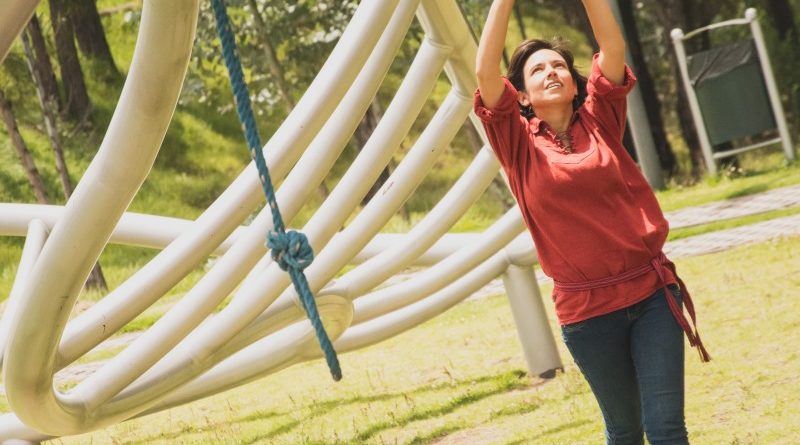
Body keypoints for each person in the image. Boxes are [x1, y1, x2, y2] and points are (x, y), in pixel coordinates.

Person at [473, 1, 710, 444]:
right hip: (588, 315)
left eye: (559, 65)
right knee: (624, 430)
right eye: (537, 70)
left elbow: (612, 44)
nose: (551, 72)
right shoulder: (515, 144)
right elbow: (485, 72)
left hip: (652, 295)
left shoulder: (601, 118)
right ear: (520, 95)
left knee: (665, 428)